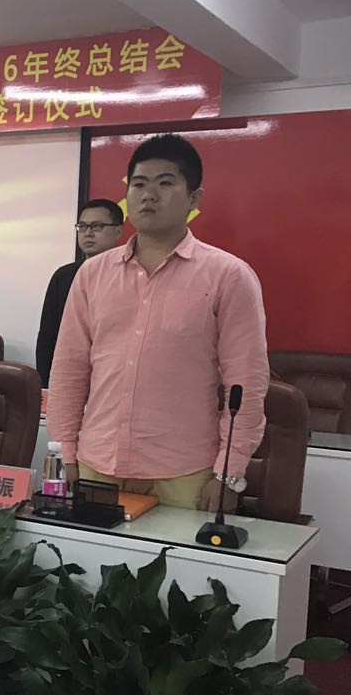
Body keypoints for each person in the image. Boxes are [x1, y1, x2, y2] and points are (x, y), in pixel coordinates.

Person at [48, 134, 270, 512]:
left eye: (165, 183)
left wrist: (228, 474)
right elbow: (69, 370)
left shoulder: (228, 276)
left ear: (194, 198)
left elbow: (245, 382)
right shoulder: (92, 274)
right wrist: (65, 452)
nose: (149, 195)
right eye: (139, 185)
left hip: (183, 471)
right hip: (97, 463)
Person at [35, 199, 124, 386]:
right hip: (69, 377)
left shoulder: (129, 276)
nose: (88, 233)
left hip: (113, 378)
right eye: (82, 227)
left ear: (118, 231)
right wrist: (45, 385)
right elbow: (48, 337)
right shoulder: (64, 276)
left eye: (97, 226)